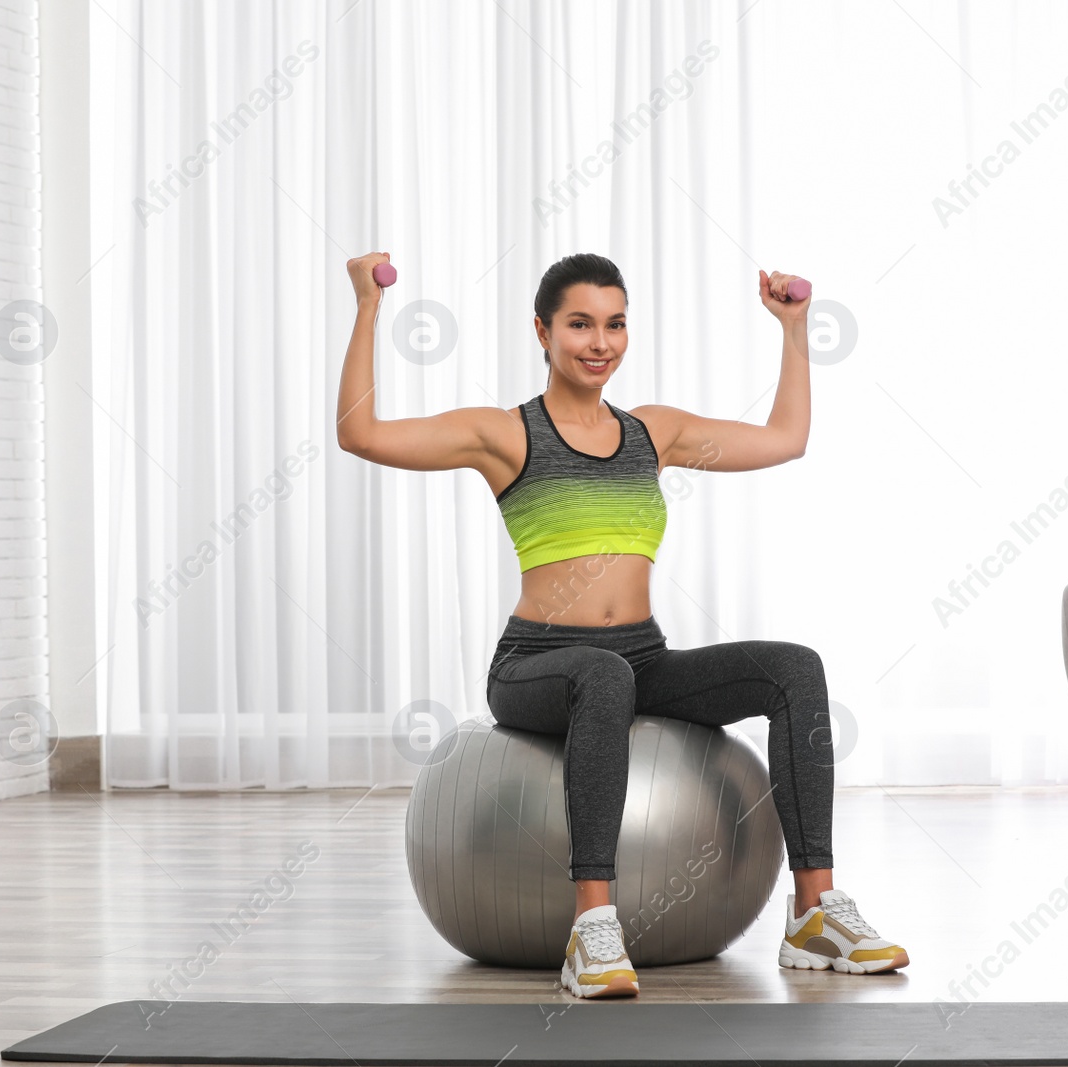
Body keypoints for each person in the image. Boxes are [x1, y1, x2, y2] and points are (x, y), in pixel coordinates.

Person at [336, 251, 909, 1000]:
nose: (599, 342)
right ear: (542, 331)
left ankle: (814, 913)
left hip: (642, 655)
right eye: (579, 324)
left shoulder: (654, 433)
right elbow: (361, 433)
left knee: (793, 667)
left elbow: (784, 438)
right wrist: (367, 308)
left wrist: (793, 329)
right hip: (536, 664)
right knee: (601, 676)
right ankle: (593, 928)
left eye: (615, 324)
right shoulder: (505, 433)